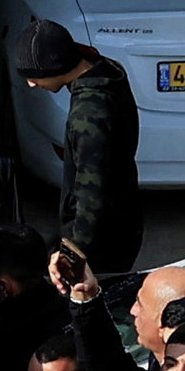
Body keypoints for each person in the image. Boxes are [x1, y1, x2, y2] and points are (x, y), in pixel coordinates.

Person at [14, 21, 139, 276]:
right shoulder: (106, 73)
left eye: (34, 75)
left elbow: (93, 198)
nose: (31, 84)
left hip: (102, 245)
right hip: (122, 223)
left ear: (56, 67)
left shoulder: (89, 117)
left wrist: (71, 254)